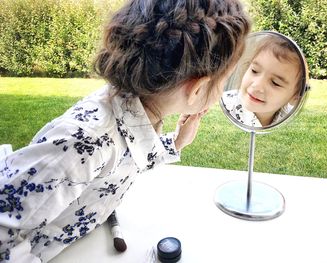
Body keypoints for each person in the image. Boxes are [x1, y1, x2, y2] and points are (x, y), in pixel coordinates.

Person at [0, 0, 250, 262]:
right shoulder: (85, 142)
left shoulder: (134, 110)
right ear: (197, 89)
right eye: (226, 80)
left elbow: (128, 156)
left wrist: (175, 143)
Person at [222, 33, 306, 127]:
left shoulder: (290, 122)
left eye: (275, 83)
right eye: (254, 71)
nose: (257, 85)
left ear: (295, 97)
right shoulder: (225, 104)